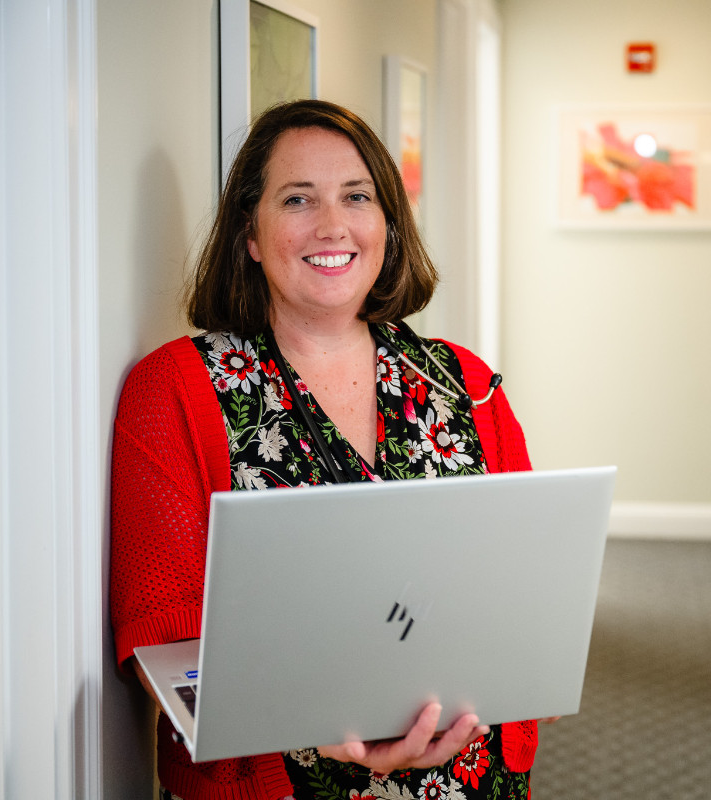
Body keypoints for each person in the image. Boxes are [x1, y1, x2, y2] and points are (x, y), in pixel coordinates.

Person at [109, 99, 536, 800]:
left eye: (357, 197)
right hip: (280, 783)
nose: (332, 226)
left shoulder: (466, 384)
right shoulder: (176, 392)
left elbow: (526, 597)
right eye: (298, 199)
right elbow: (168, 640)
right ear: (251, 233)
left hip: (468, 772)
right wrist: (316, 718)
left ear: (387, 227)